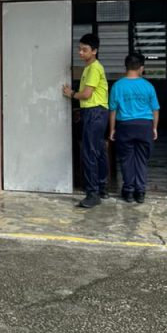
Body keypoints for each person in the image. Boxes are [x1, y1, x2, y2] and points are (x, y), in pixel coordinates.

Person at [63, 33, 109, 208]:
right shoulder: (90, 68)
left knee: (89, 153)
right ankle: (101, 187)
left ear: (94, 51)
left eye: (85, 50)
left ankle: (92, 193)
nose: (81, 53)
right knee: (98, 151)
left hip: (94, 113)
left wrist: (71, 94)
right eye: (79, 49)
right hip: (96, 112)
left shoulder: (94, 68)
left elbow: (87, 94)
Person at [109, 52, 160, 204]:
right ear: (141, 68)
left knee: (127, 159)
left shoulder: (118, 86)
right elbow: (155, 110)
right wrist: (154, 128)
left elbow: (113, 110)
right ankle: (140, 192)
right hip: (144, 126)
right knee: (141, 159)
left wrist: (112, 129)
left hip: (125, 126)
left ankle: (129, 191)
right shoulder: (148, 86)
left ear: (126, 67)